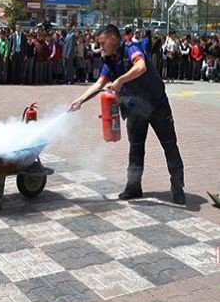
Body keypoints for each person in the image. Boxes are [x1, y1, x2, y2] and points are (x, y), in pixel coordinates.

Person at [69, 25, 186, 205]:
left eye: (102, 43)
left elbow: (141, 67)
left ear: (113, 39)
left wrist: (120, 81)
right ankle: (133, 187)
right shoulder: (110, 60)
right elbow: (100, 83)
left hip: (157, 105)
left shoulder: (131, 48)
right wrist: (80, 100)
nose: (100, 48)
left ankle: (178, 188)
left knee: (169, 146)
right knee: (136, 149)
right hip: (135, 109)